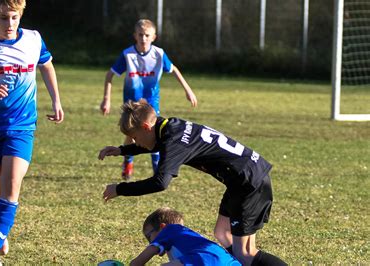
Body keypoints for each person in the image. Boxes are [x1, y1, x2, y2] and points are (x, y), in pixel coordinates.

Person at [98, 100, 287, 266]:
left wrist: (120, 189)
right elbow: (156, 143)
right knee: (222, 233)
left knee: (245, 253)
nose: (136, 142)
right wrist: (122, 150)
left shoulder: (173, 140)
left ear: (146, 127)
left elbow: (160, 182)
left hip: (248, 182)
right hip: (243, 177)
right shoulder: (170, 126)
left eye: (135, 138)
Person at [0, 0, 64, 265]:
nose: (10, 24)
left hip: (21, 125)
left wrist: (56, 100)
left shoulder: (33, 39)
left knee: (11, 189)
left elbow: (47, 65)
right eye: (4, 18)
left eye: (15, 18)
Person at [99, 19, 198, 180]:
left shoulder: (159, 54)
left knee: (154, 132)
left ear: (154, 37)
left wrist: (188, 90)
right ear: (135, 36)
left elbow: (174, 70)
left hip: (151, 102)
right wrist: (106, 99)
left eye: (147, 35)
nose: (143, 38)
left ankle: (157, 168)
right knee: (131, 134)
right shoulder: (128, 54)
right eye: (140, 35)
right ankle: (128, 161)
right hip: (132, 104)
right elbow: (110, 75)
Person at [131, 207, 240, 266]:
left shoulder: (168, 230)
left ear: (162, 227)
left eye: (149, 236)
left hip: (204, 259)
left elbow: (137, 262)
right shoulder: (186, 239)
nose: (150, 243)